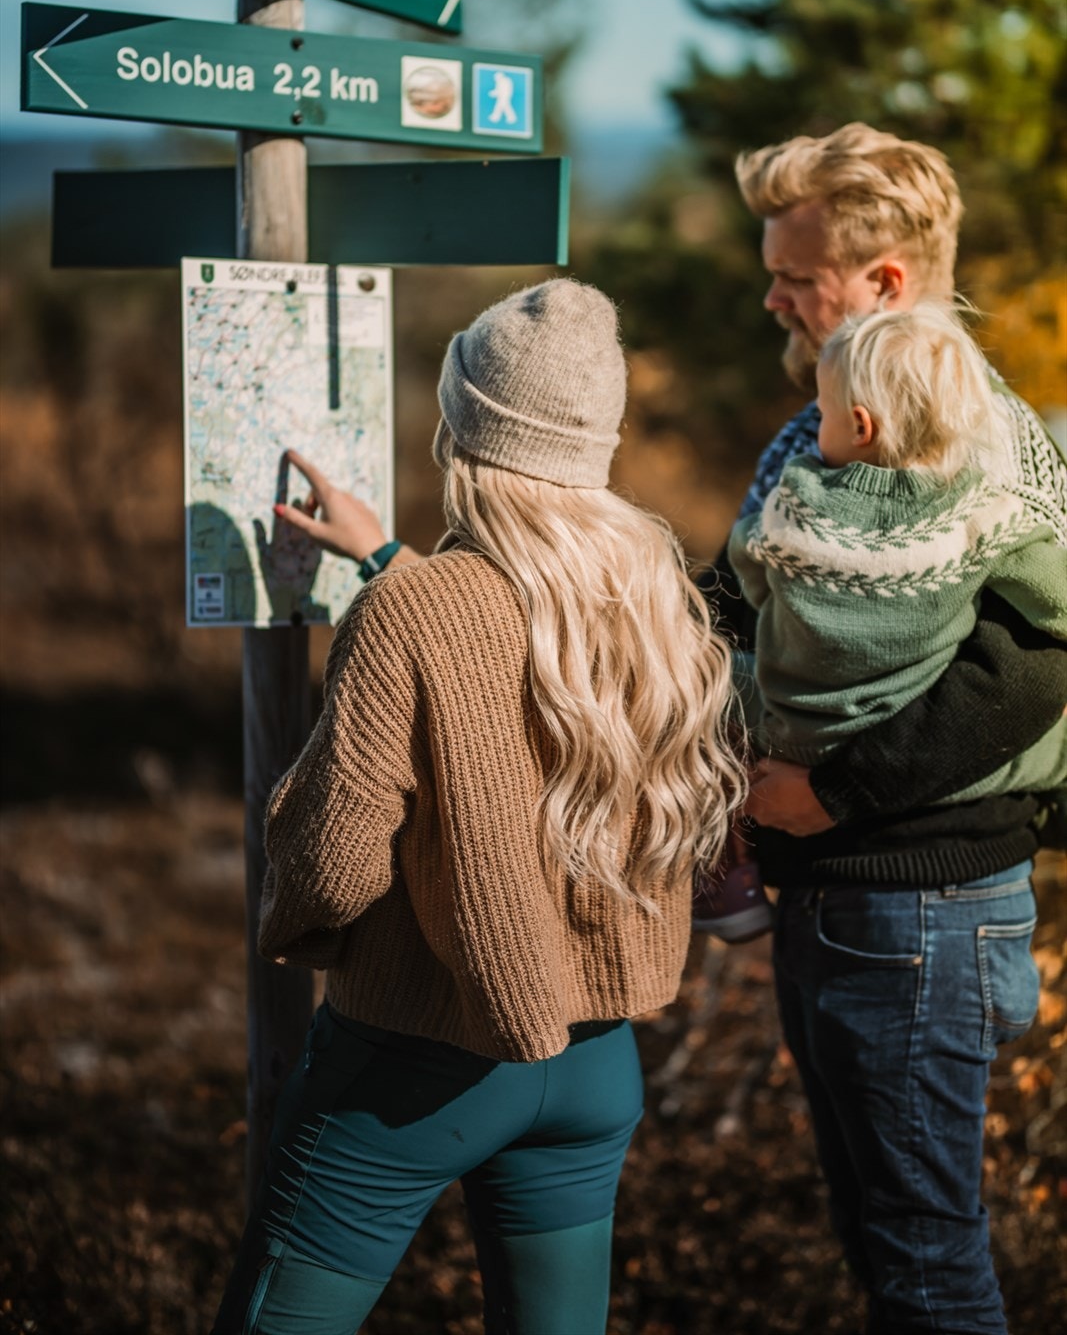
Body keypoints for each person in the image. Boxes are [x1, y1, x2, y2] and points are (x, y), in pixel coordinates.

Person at [211, 278, 746, 1335]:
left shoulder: (409, 612)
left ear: (462, 433)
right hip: (594, 1065)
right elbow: (513, 652)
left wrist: (299, 928)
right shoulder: (650, 595)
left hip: (411, 1059)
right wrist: (379, 552)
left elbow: (333, 865)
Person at [710, 124, 1067, 1335]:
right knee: (882, 1241)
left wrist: (833, 793)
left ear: (883, 281)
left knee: (924, 1265)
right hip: (843, 897)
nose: (771, 296)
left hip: (915, 904)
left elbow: (1033, 667)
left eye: (794, 275)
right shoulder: (827, 428)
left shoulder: (979, 438)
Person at [729, 300, 1066, 790]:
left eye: (822, 414)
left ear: (860, 426)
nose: (817, 429)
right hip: (908, 742)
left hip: (792, 734)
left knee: (715, 683)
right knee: (1051, 752)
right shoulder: (984, 515)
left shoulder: (795, 498)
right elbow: (1056, 597)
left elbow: (747, 561)